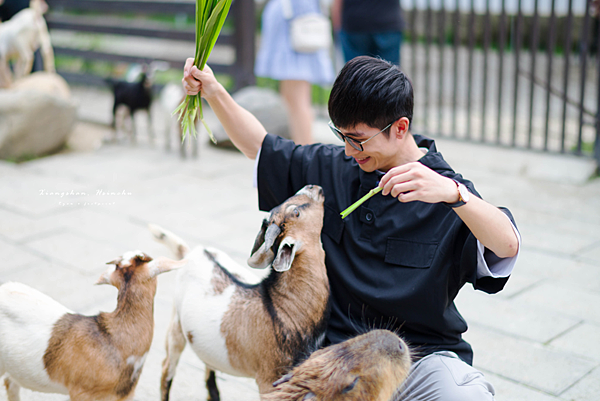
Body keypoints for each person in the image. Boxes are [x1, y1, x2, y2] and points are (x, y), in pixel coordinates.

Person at [182, 56, 520, 400]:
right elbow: (260, 147)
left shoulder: (448, 191)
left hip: (420, 359)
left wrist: (454, 195)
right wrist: (213, 91)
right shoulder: (334, 167)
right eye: (340, 134)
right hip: (338, 362)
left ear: (400, 128)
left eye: (357, 139)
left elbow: (507, 246)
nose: (347, 148)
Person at [254, 0, 335, 145]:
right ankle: (302, 147)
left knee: (298, 97)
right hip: (290, 16)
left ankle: (306, 149)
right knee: (291, 97)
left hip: (296, 18)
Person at [331, 0, 404, 66]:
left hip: (355, 23)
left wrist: (337, 28)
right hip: (388, 22)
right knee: (389, 76)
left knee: (356, 75)